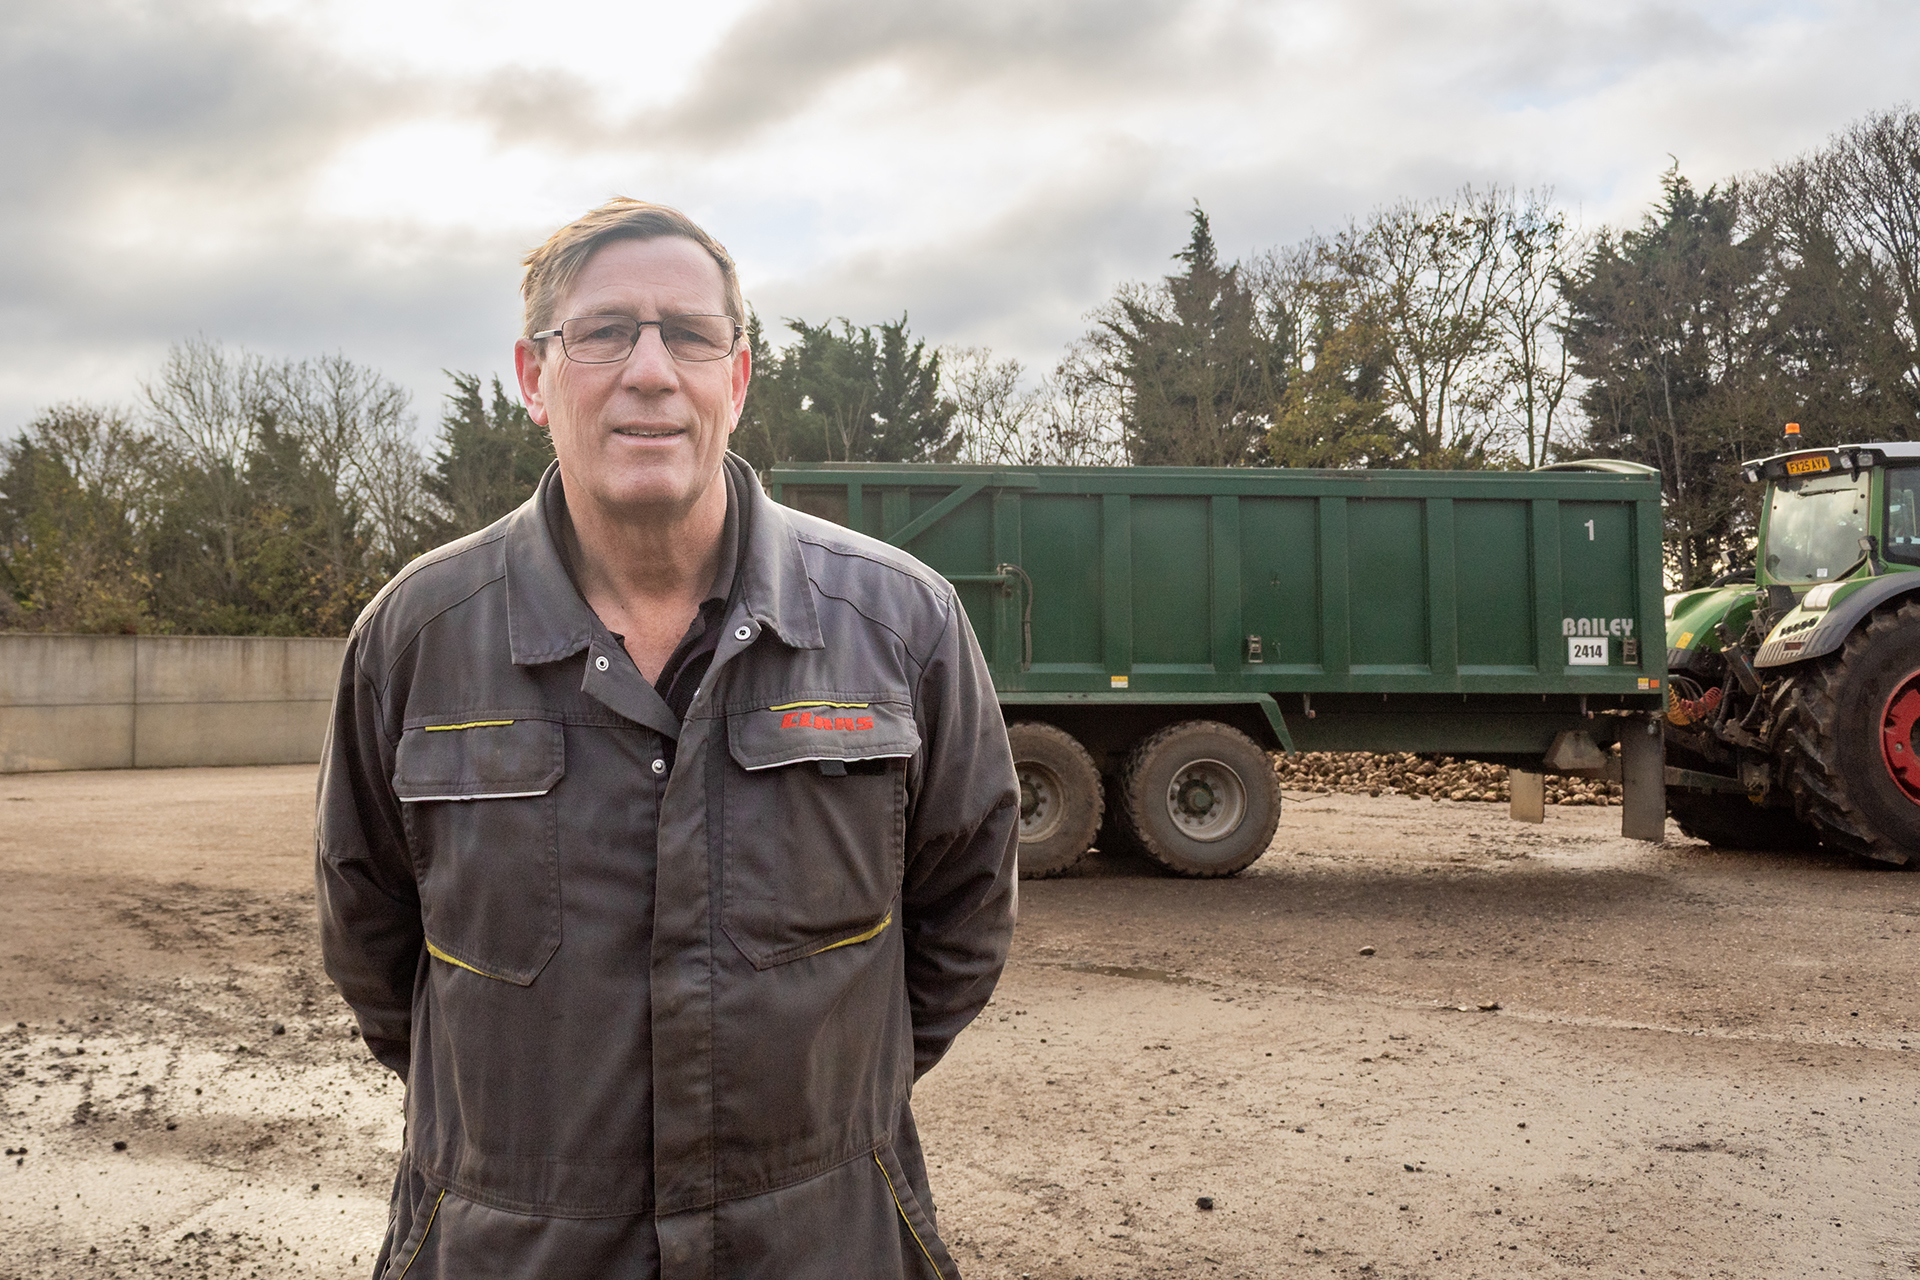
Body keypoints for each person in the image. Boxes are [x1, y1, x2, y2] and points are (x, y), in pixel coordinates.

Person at [316, 198, 1019, 1279]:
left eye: (688, 335)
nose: (650, 369)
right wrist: (526, 1134)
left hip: (820, 1242)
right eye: (603, 333)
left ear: (734, 381)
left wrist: (825, 1107)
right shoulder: (416, 637)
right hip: (509, 1247)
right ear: (532, 374)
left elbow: (963, 907)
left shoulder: (899, 626)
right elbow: (372, 937)